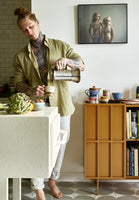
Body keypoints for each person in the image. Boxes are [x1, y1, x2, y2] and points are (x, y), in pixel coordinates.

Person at [13, 7, 85, 200]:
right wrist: (30, 90)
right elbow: (17, 82)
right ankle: (38, 187)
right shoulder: (21, 56)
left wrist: (67, 60)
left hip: (62, 104)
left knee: (60, 144)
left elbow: (81, 64)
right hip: (37, 107)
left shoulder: (60, 45)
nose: (29, 31)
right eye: (25, 30)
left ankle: (52, 179)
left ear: (37, 23)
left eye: (31, 26)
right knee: (38, 144)